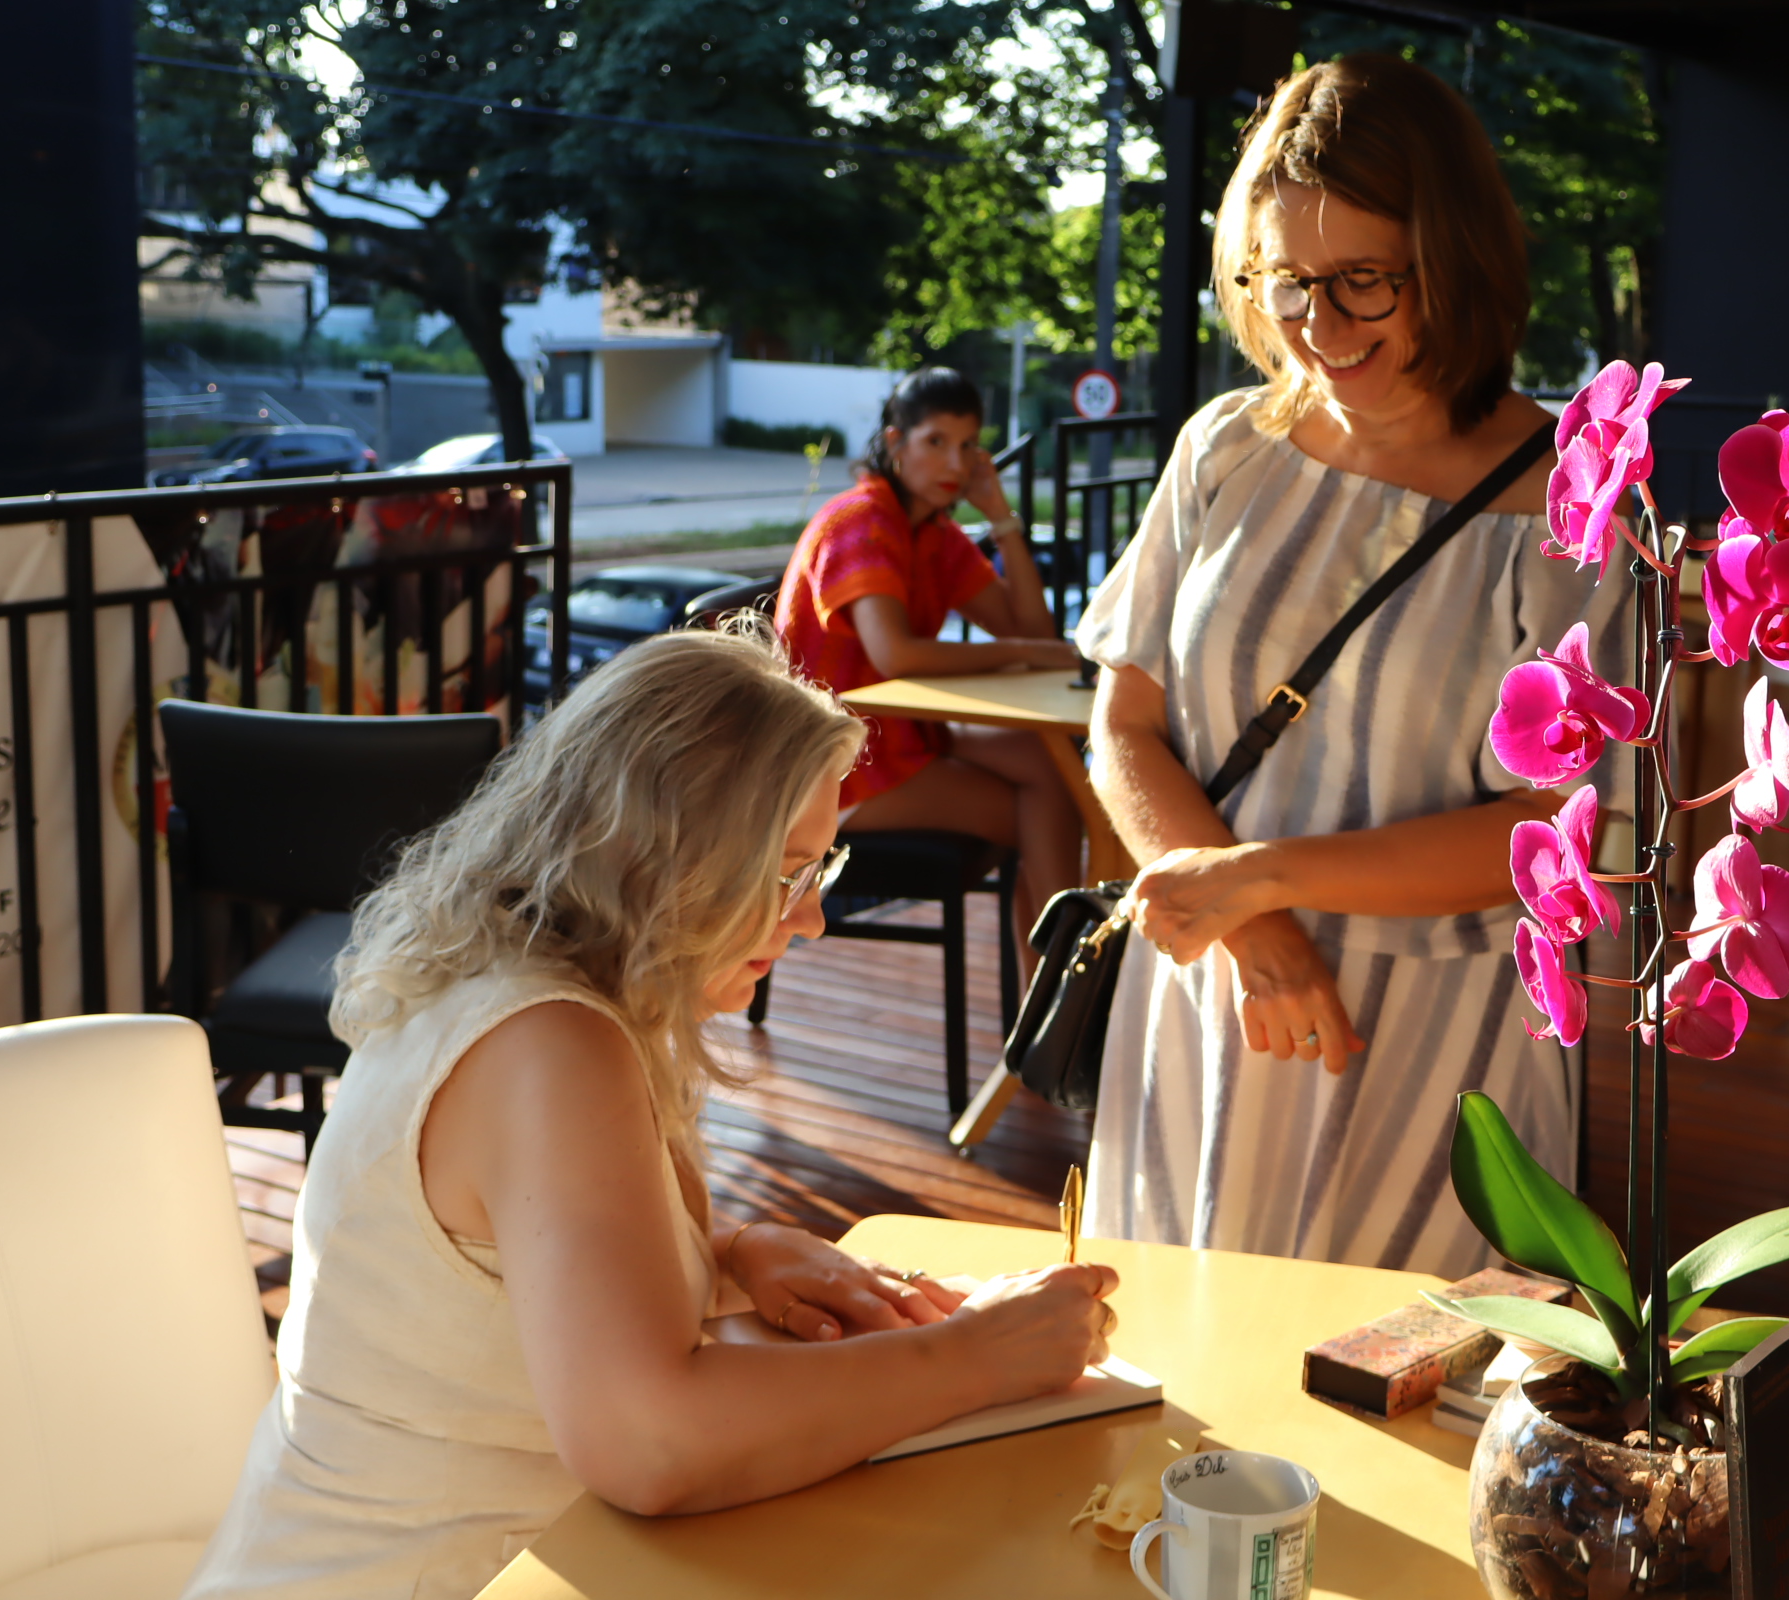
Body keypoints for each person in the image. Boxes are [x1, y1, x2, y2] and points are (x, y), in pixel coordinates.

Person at [181, 628, 1117, 1600]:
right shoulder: (549, 1045)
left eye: (820, 870)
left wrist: (725, 1254)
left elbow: (512, 1274)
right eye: (788, 871)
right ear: (667, 857)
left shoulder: (530, 984)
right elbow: (648, 1439)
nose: (810, 919)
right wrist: (974, 1355)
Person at [1076, 55, 1629, 1276]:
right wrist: (1250, 921)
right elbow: (1121, 721)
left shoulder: (1577, 507)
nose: (1316, 328)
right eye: (1285, 281)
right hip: (1216, 993)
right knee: (1181, 1390)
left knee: (1400, 1399)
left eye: (1363, 281)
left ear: (1457, 258)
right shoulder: (1225, 448)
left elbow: (1567, 828)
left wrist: (1254, 877)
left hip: (1437, 1037)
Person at [774, 368, 1082, 955]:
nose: (955, 464)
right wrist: (1022, 654)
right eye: (935, 442)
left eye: (968, 445)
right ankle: (1063, 984)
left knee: (1052, 770)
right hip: (832, 763)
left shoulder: (932, 533)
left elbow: (1030, 629)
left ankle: (1053, 993)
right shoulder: (861, 521)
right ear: (896, 444)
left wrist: (1000, 517)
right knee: (1040, 814)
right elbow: (897, 653)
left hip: (898, 731)